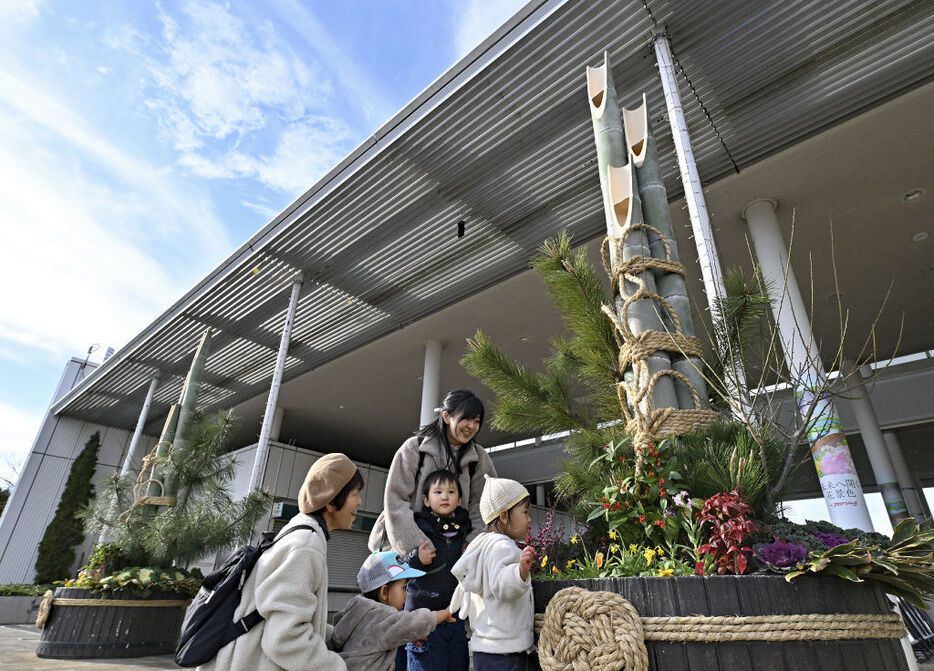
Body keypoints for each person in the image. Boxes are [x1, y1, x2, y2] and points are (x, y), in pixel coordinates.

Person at [197, 453, 363, 671]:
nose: (359, 502)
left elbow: (284, 618)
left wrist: (341, 635)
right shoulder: (305, 544)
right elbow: (284, 639)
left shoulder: (298, 533)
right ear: (331, 501)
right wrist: (337, 667)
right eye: (354, 494)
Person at [368, 389, 496, 557]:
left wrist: (471, 545)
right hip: (405, 552)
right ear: (446, 416)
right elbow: (396, 500)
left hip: (455, 553)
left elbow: (484, 505)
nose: (471, 426)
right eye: (466, 418)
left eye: (477, 421)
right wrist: (417, 549)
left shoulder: (479, 458)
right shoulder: (414, 448)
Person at [449, 475, 536, 671]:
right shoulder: (502, 547)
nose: (529, 519)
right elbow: (501, 586)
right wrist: (520, 571)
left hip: (486, 648)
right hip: (506, 649)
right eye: (525, 512)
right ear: (504, 516)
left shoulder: (482, 545)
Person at [328, 551, 455, 671]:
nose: (406, 594)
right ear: (384, 593)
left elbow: (376, 635)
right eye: (403, 588)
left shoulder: (358, 611)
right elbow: (414, 622)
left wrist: (406, 635)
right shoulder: (381, 615)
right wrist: (445, 613)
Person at [399, 469, 473, 671]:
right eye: (438, 492)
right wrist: (416, 558)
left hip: (454, 616)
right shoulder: (417, 527)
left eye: (451, 492)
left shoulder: (465, 527)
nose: (445, 497)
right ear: (426, 500)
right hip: (424, 619)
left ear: (459, 500)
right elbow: (400, 567)